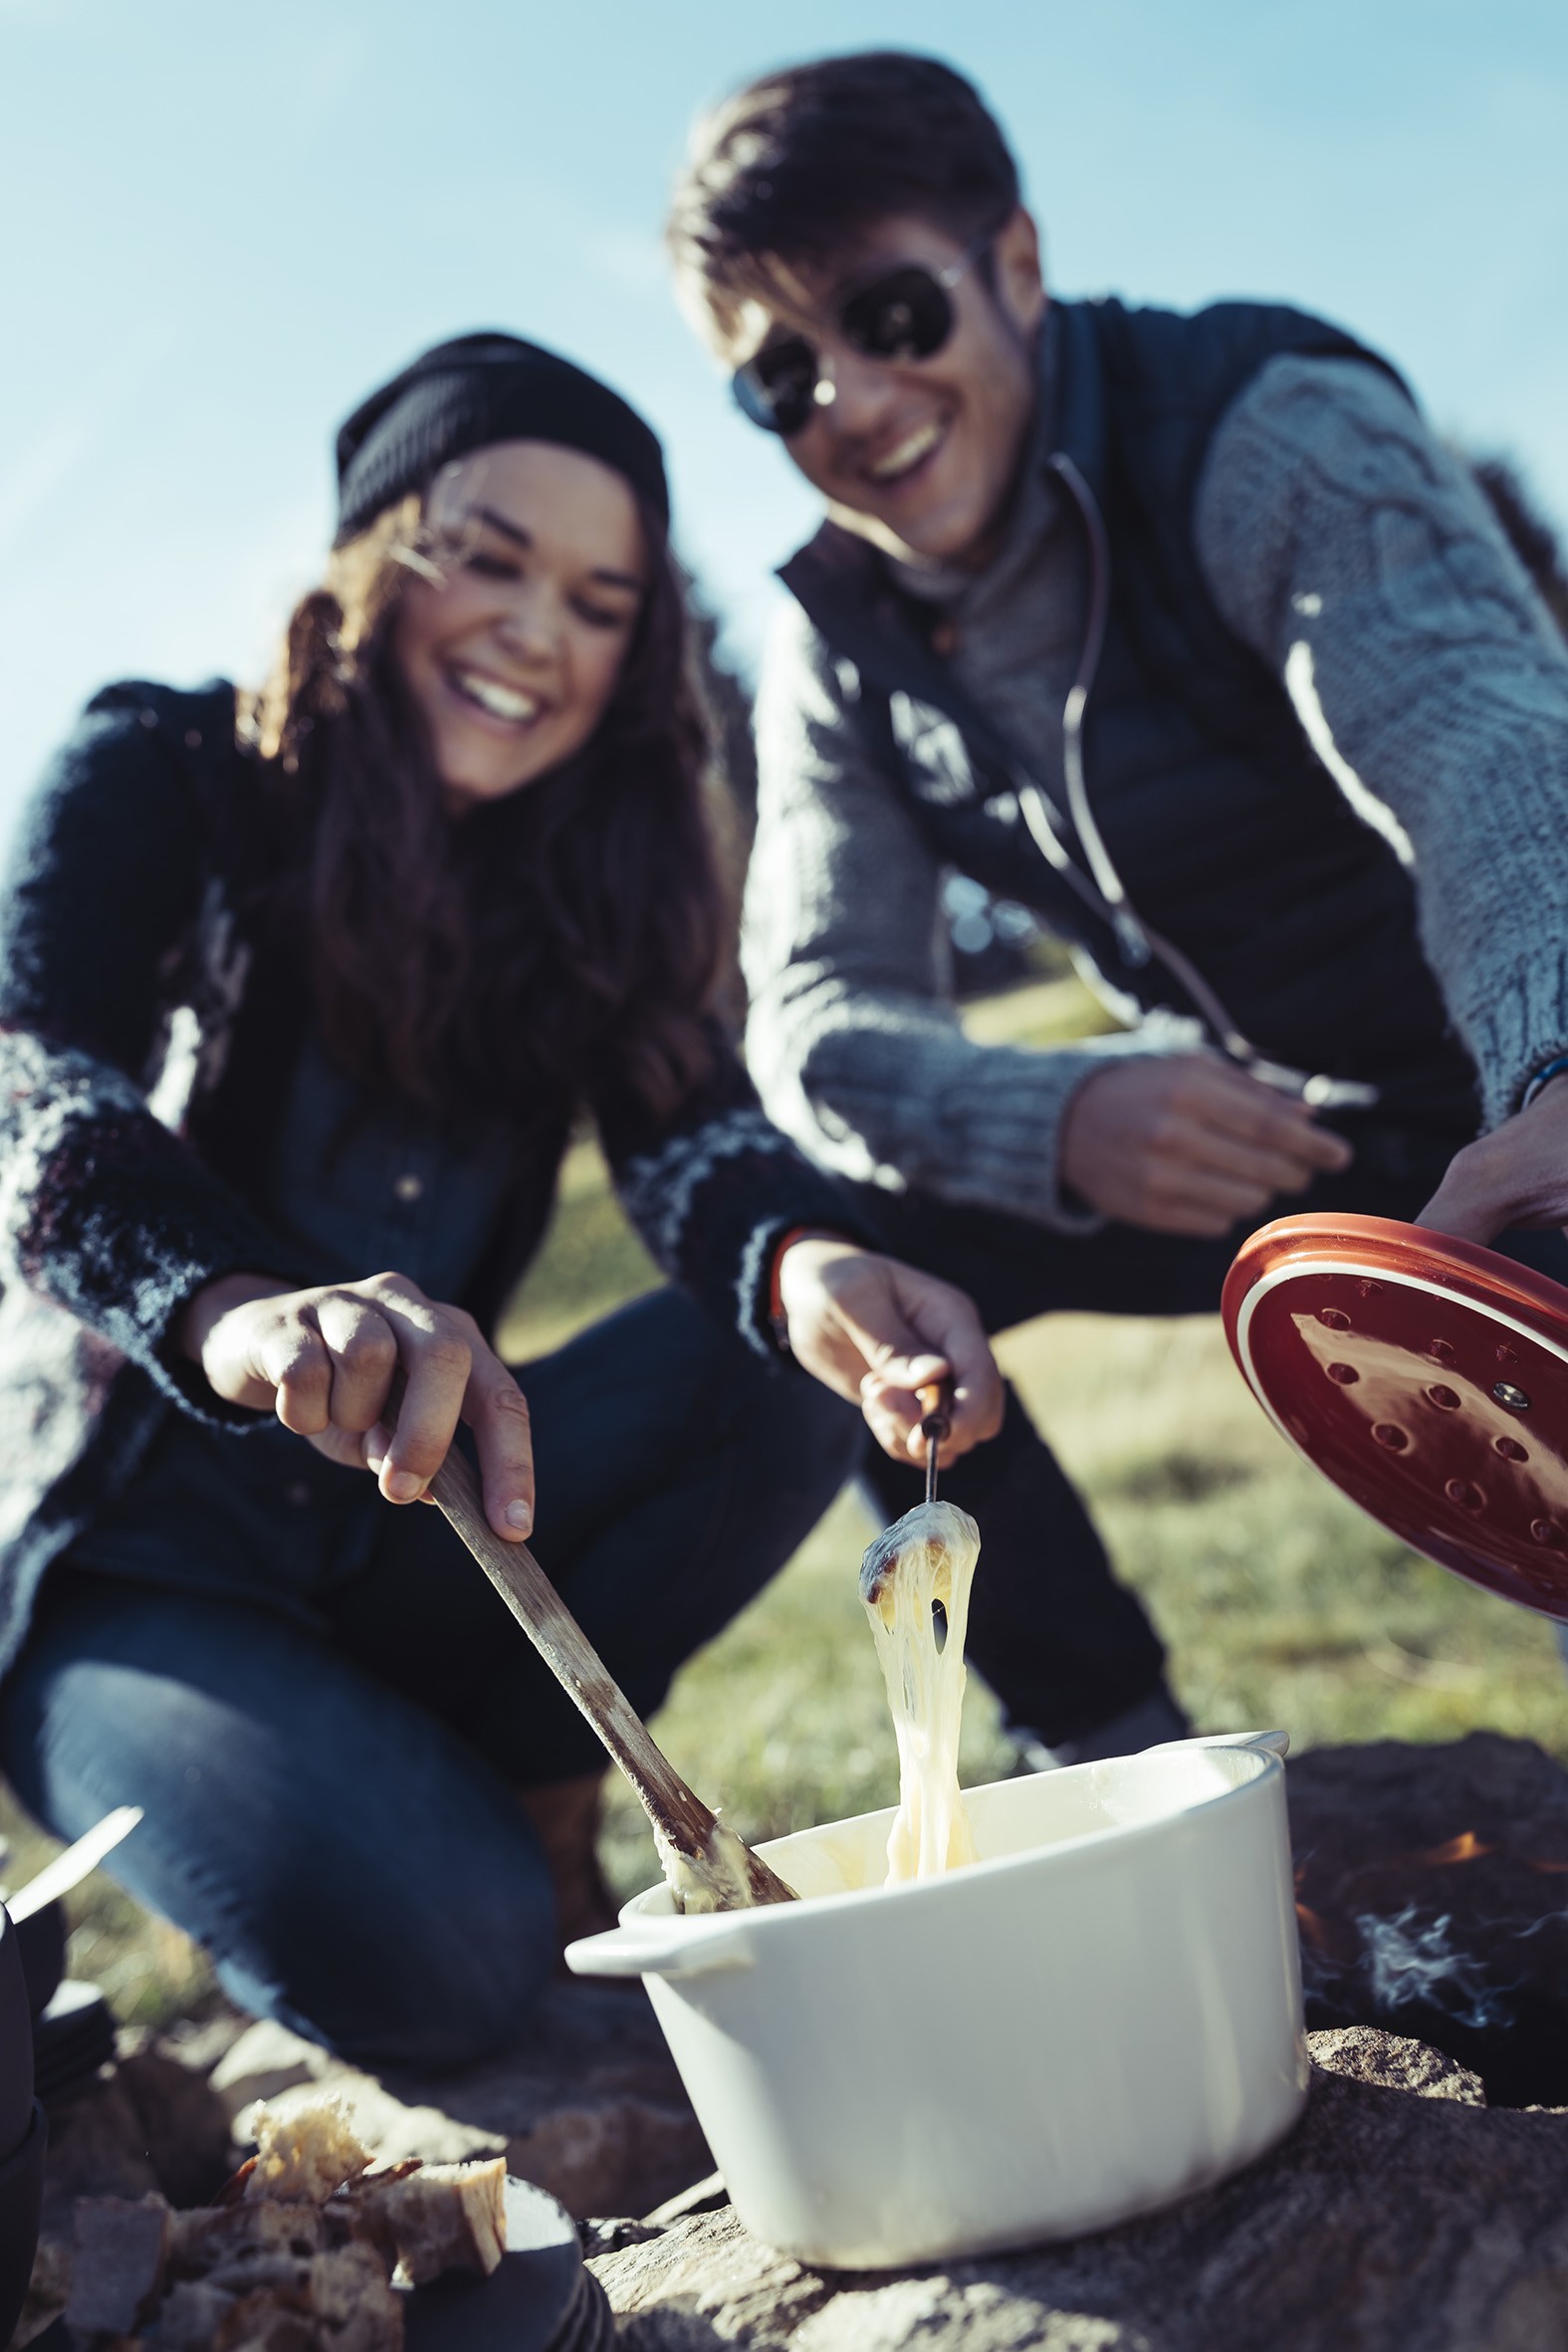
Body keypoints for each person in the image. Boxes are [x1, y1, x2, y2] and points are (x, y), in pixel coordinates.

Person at [0, 333, 1002, 2070]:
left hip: (400, 1529)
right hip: (117, 1571)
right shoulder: (167, 772)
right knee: (456, 1969)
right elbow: (22, 1073)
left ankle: (532, 1771)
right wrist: (236, 1304)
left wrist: (816, 1260)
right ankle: (395, 1799)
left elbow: (698, 1150)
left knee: (778, 1364)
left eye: (603, 598)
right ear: (370, 556)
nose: (542, 628)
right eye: (488, 555)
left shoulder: (587, 882)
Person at [666, 51, 1568, 1765]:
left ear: (1014, 263)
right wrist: (1059, 1111)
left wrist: (1561, 1061)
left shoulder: (1262, 424)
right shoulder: (832, 641)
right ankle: (1110, 1753)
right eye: (781, 372)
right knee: (849, 1233)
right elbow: (813, 1014)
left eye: (890, 312)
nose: (847, 398)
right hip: (1286, 1130)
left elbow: (1483, 750)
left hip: (1526, 1085)